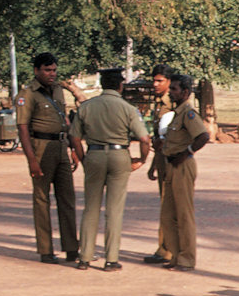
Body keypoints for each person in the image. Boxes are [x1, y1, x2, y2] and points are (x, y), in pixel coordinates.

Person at [70, 68, 151, 271]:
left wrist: (83, 159)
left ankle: (85, 257)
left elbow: (75, 138)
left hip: (94, 155)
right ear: (120, 86)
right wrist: (141, 159)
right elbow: (144, 139)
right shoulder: (128, 108)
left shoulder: (87, 106)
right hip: (119, 156)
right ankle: (111, 259)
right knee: (114, 210)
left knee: (91, 208)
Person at [16, 52, 81, 264]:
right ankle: (46, 250)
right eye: (47, 70)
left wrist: (72, 146)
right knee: (42, 199)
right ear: (36, 71)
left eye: (53, 70)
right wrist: (31, 160)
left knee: (67, 199)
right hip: (41, 148)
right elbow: (23, 129)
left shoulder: (59, 91)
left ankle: (72, 248)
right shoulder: (28, 94)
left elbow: (65, 120)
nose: (51, 74)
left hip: (61, 146)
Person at [158, 74, 210, 271]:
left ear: (185, 92)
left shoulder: (188, 113)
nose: (171, 93)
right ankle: (175, 255)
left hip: (183, 165)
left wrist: (187, 152)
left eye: (174, 89)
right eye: (171, 89)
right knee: (167, 215)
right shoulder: (177, 114)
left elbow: (203, 136)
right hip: (172, 165)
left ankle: (187, 259)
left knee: (184, 214)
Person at [144, 64, 178, 265]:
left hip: (171, 157)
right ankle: (165, 248)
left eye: (160, 81)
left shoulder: (172, 101)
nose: (155, 84)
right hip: (161, 158)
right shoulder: (159, 102)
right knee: (165, 204)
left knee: (169, 205)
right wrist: (153, 165)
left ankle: (168, 250)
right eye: (154, 80)